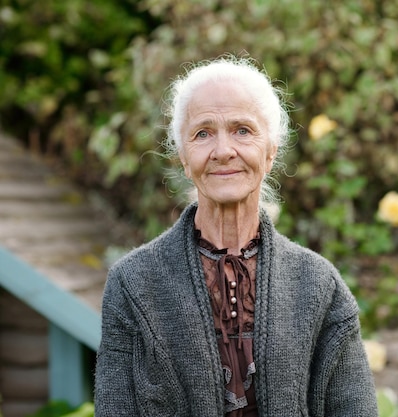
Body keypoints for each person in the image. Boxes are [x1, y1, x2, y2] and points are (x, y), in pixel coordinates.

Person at [94, 56, 378, 417]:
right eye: (203, 133)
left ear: (271, 151)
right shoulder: (133, 284)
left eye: (242, 130)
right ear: (183, 155)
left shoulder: (320, 286)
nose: (223, 150)